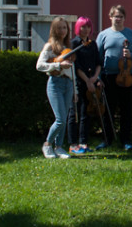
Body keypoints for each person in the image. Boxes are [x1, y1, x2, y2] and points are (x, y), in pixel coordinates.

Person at [95, 4, 132, 150]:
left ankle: (126, 140)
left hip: (128, 76)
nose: (118, 19)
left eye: (121, 17)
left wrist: (131, 55)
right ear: (110, 17)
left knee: (126, 110)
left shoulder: (131, 34)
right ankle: (107, 139)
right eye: (116, 16)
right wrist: (98, 76)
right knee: (108, 109)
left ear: (124, 18)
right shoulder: (103, 35)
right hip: (109, 76)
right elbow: (98, 57)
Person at [36, 17, 77, 159]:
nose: (62, 31)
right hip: (55, 83)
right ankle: (47, 144)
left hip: (68, 84)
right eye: (59, 28)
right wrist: (57, 65)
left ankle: (59, 147)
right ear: (54, 29)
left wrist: (75, 90)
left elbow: (73, 70)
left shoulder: (68, 47)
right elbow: (40, 65)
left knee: (64, 118)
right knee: (60, 119)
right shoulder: (49, 46)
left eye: (64, 28)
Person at [66, 16, 103, 154]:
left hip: (91, 82)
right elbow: (76, 66)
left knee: (86, 113)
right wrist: (87, 81)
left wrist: (94, 78)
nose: (85, 29)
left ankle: (83, 142)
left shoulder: (92, 44)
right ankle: (72, 143)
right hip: (79, 83)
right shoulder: (74, 43)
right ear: (78, 28)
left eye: (88, 26)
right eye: (83, 26)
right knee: (74, 113)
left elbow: (98, 62)